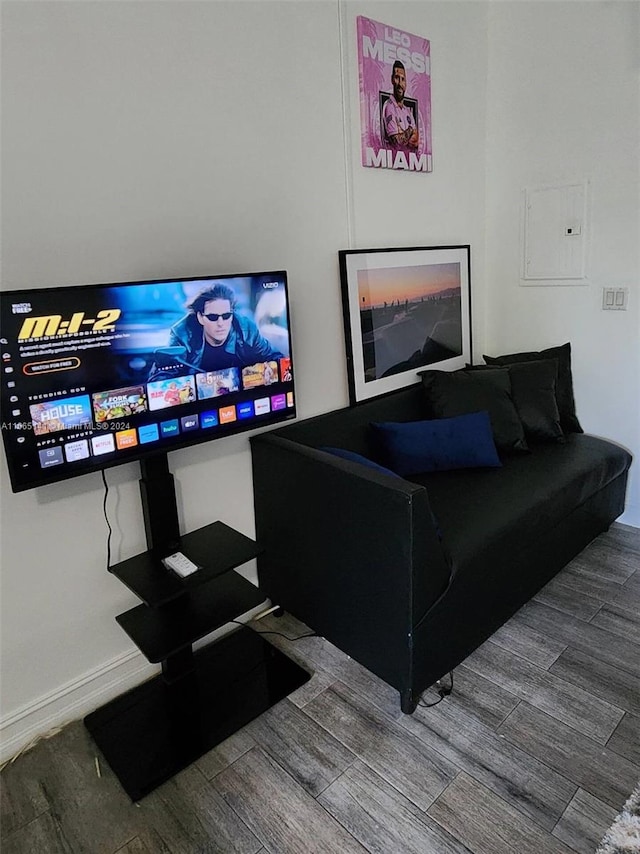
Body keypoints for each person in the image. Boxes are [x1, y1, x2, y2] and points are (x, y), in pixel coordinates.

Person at [149, 284, 282, 380]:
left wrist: (269, 370)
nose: (220, 323)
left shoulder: (246, 330)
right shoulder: (182, 333)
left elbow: (277, 359)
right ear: (200, 317)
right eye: (213, 317)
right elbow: (160, 377)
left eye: (226, 316)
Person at [382, 60, 419, 150]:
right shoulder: (389, 107)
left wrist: (403, 134)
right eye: (397, 78)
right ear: (392, 80)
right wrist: (410, 130)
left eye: (403, 79)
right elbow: (397, 143)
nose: (400, 83)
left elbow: (416, 142)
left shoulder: (407, 111)